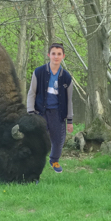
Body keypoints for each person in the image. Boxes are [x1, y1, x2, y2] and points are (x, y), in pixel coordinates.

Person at [27, 42, 73, 173]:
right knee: (38, 142)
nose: (56, 57)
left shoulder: (67, 77)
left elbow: (69, 100)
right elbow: (31, 93)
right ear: (49, 55)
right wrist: (30, 112)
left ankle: (54, 160)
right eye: (53, 54)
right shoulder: (39, 72)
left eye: (59, 54)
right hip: (40, 112)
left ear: (63, 56)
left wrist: (69, 120)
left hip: (58, 114)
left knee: (58, 141)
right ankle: (35, 168)